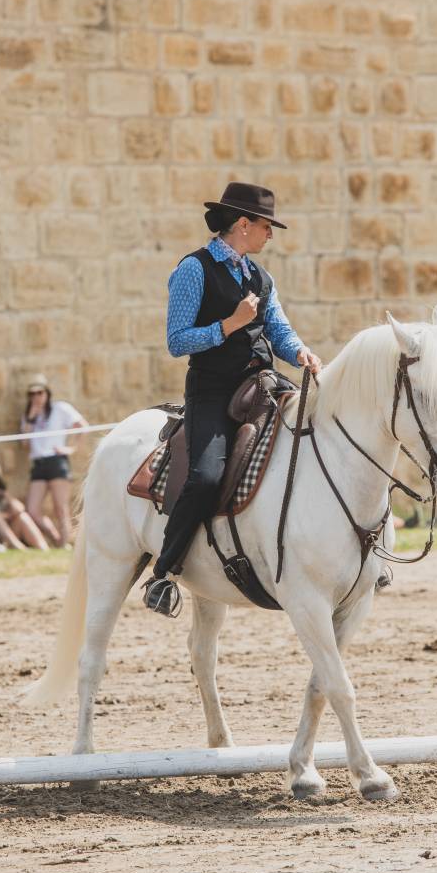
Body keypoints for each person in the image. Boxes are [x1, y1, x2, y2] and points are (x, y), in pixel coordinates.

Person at [143, 182, 322, 616]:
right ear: (243, 224)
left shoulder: (262, 277)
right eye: (266, 226)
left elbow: (278, 329)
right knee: (205, 476)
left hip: (262, 384)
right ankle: (164, 575)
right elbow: (176, 340)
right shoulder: (193, 269)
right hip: (212, 391)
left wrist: (300, 351)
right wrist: (228, 324)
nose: (271, 235)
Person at [20, 374, 88, 548]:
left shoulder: (60, 408)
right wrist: (30, 418)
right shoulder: (28, 415)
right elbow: (24, 444)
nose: (36, 397)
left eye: (40, 392)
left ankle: (65, 543)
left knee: (60, 507)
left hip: (56, 461)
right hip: (38, 464)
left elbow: (83, 426)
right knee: (32, 510)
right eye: (32, 394)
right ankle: (57, 538)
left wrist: (71, 449)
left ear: (47, 393)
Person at [0, 462, 49, 551]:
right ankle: (20, 548)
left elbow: (20, 509)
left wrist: (8, 497)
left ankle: (43, 548)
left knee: (22, 517)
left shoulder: (1, 497)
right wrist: (3, 516)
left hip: (9, 534)